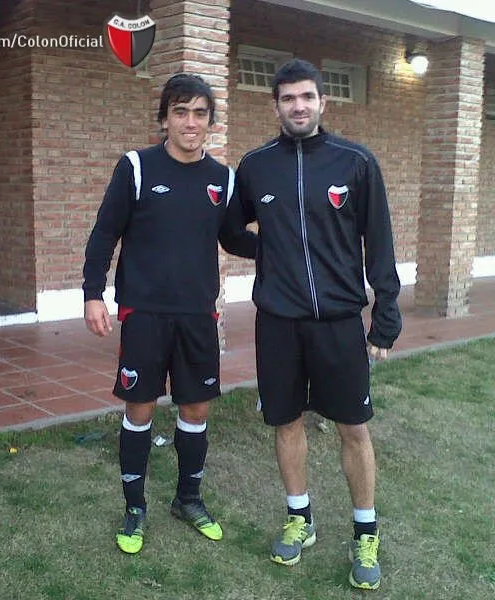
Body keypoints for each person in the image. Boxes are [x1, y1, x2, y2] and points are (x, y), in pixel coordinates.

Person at [235, 58, 402, 590]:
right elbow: (231, 228)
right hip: (279, 323)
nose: (298, 106)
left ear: (322, 102)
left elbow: (379, 240)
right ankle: (300, 518)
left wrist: (386, 312)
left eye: (307, 97)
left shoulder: (354, 162)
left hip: (338, 322)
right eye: (288, 99)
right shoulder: (257, 165)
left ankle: (365, 533)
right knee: (287, 422)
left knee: (353, 428)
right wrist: (270, 252)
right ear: (276, 105)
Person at [82, 73, 256, 555]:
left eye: (200, 113)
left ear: (211, 122)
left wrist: (285, 243)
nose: (190, 122)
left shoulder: (223, 179)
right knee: (139, 408)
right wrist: (92, 293)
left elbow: (234, 238)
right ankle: (134, 507)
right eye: (180, 111)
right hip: (145, 312)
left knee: (195, 409)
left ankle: (188, 499)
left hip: (199, 314)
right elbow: (104, 234)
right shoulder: (136, 168)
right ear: (164, 118)